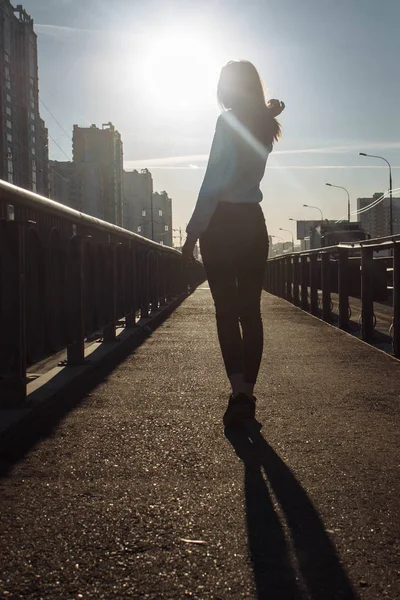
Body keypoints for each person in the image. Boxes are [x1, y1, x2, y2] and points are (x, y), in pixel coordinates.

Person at [182, 60, 285, 427]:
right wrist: (268, 107)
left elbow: (214, 180)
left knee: (226, 312)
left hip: (222, 225)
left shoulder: (227, 122)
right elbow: (268, 112)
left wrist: (193, 233)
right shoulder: (266, 125)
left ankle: (237, 390)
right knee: (250, 311)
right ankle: (247, 396)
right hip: (253, 224)